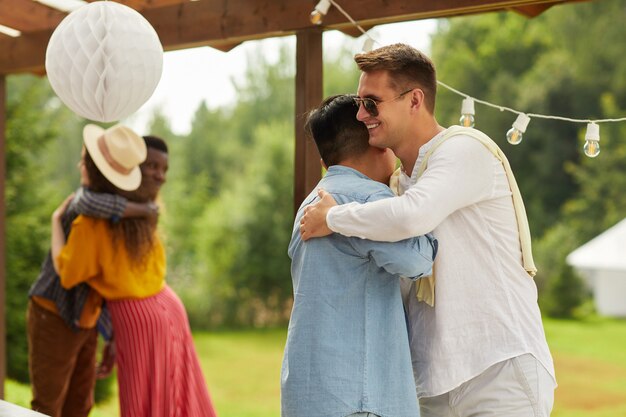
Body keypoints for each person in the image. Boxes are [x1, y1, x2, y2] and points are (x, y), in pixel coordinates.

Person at [299, 44, 556, 417]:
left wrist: (334, 218)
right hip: (433, 385)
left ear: (414, 100)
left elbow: (411, 218)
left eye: (371, 103)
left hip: (498, 371)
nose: (359, 114)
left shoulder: (463, 150)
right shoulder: (398, 185)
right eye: (359, 103)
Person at [282, 94, 437, 417]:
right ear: (376, 141)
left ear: (325, 161)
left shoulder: (310, 204)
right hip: (360, 398)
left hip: (311, 394)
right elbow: (417, 260)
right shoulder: (369, 198)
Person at [51, 123, 218, 417]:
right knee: (175, 397)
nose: (159, 176)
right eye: (151, 166)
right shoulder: (144, 210)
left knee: (143, 400)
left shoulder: (97, 220)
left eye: (163, 169)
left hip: (137, 316)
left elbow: (69, 274)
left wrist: (56, 224)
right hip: (167, 305)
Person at [27, 124, 159, 417]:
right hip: (55, 312)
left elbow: (111, 280)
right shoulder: (86, 208)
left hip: (84, 316)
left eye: (84, 160)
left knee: (80, 405)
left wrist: (109, 334)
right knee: (48, 406)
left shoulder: (113, 212)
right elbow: (69, 274)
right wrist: (54, 222)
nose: (79, 165)